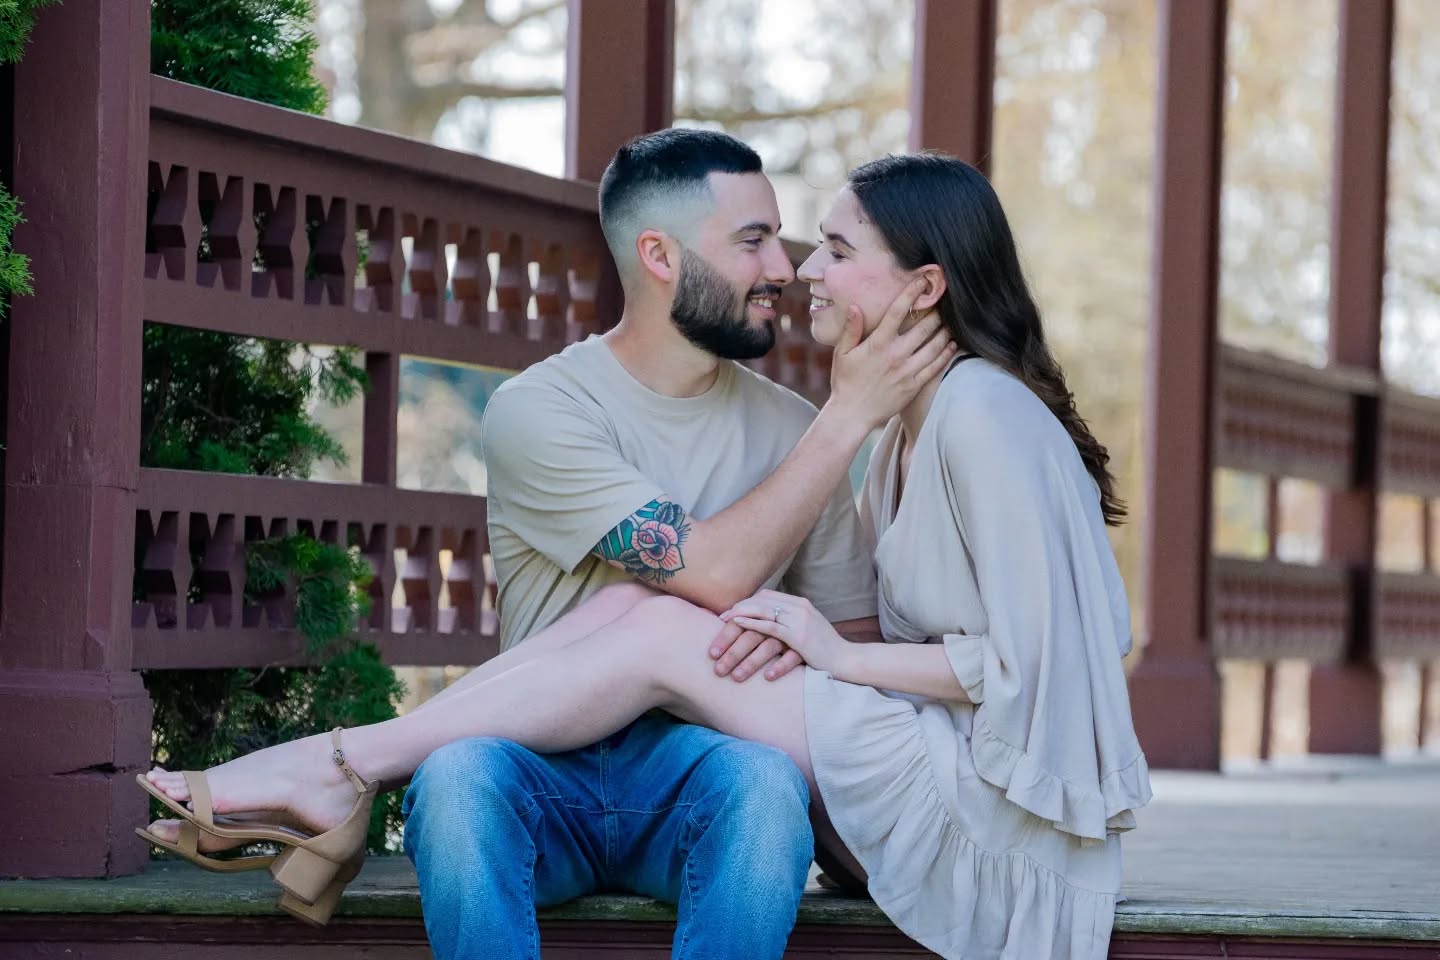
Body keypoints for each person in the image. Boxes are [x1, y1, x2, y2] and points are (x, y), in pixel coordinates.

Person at [141, 150, 1153, 960]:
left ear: (925, 284)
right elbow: (717, 586)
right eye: (761, 239)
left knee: (678, 640)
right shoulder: (873, 428)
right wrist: (803, 628)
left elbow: (1037, 663)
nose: (795, 269)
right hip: (643, 760)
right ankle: (342, 769)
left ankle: (340, 767)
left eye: (829, 249)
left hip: (984, 805)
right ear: (662, 257)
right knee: (633, 620)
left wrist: (829, 655)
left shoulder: (954, 413)